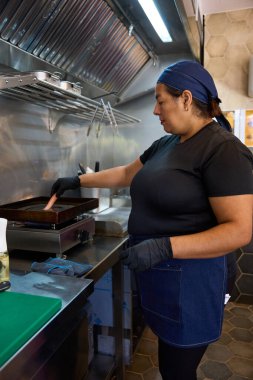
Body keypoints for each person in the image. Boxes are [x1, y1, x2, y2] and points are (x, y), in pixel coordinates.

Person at [50, 60, 253, 380]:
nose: (156, 111)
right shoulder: (168, 143)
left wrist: (163, 248)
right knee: (170, 365)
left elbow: (239, 230)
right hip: (163, 281)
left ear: (186, 99)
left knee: (177, 371)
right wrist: (78, 181)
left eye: (161, 101)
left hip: (191, 287)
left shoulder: (223, 150)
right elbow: (128, 173)